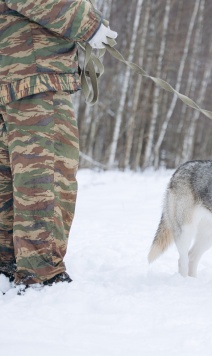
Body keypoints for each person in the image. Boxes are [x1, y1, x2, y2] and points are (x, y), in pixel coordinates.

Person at [0, 0, 117, 290]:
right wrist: (87, 24)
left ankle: (9, 261)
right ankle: (41, 275)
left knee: (10, 174)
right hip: (34, 69)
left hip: (13, 70)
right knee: (46, 173)